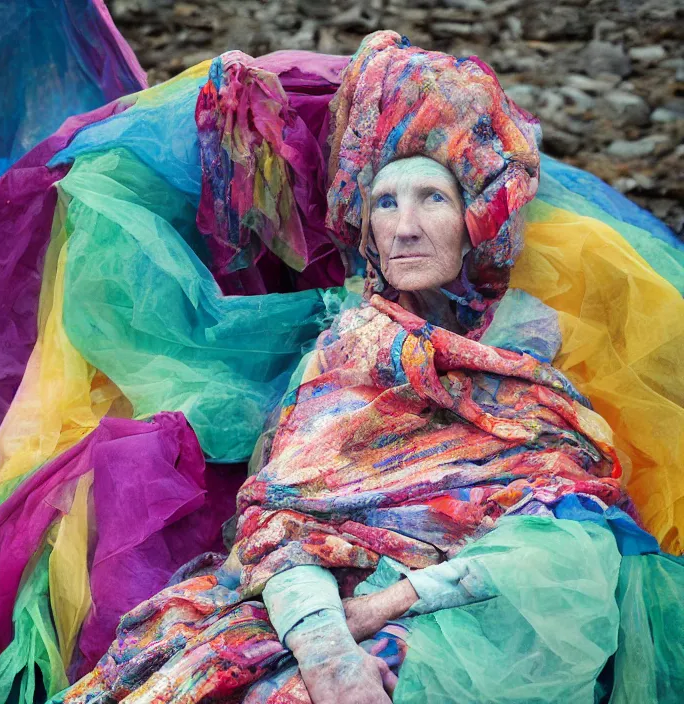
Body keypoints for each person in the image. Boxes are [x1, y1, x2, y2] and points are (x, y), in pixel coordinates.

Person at [39, 31, 683, 704]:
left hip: (470, 617)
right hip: (325, 616)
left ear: (476, 220)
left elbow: (568, 529)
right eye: (384, 202)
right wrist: (330, 658)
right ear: (365, 227)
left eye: (432, 199)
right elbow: (281, 524)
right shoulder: (347, 354)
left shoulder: (529, 359)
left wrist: (394, 603)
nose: (404, 227)